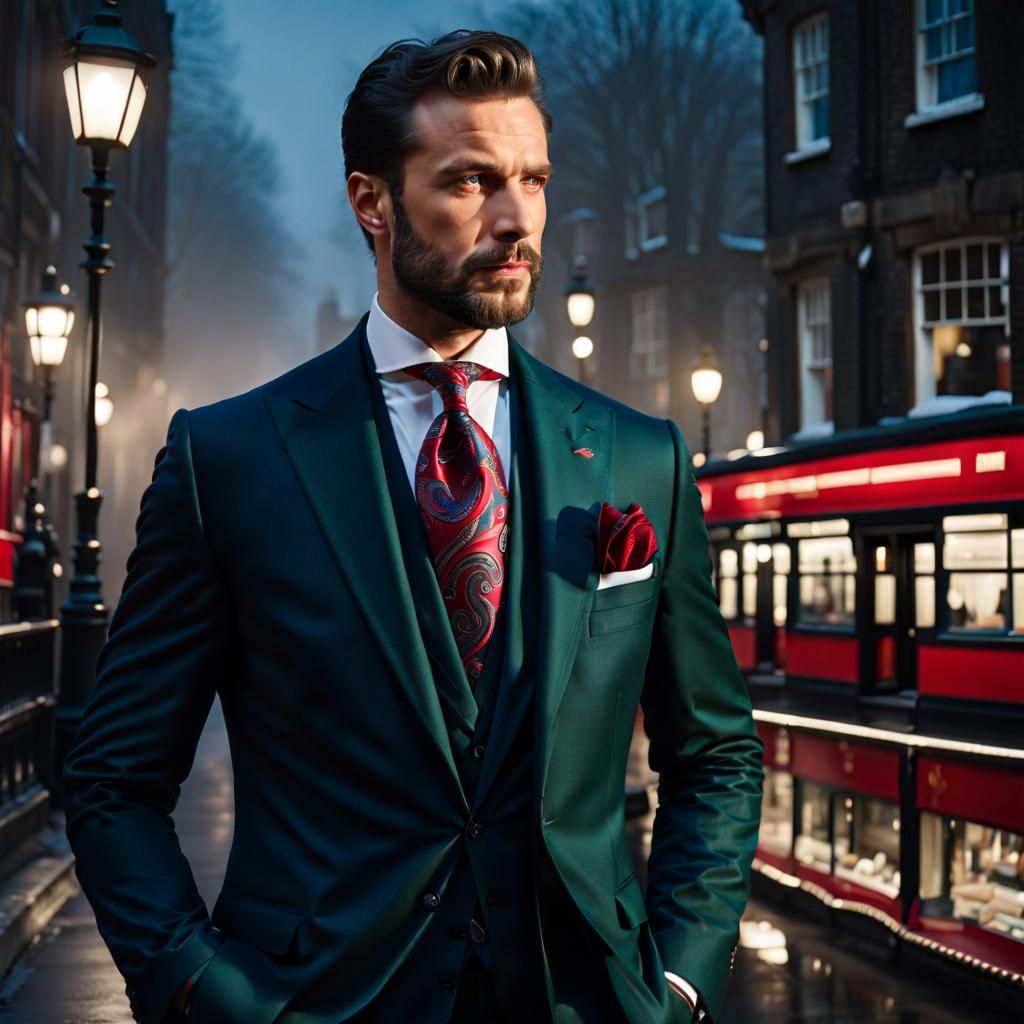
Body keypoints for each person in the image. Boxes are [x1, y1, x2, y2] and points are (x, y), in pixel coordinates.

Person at [62, 30, 763, 1024]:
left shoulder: (638, 457)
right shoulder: (231, 459)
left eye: (532, 179)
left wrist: (682, 979)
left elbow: (715, 753)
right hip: (317, 999)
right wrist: (199, 989)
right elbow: (113, 780)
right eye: (471, 181)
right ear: (372, 202)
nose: (516, 218)